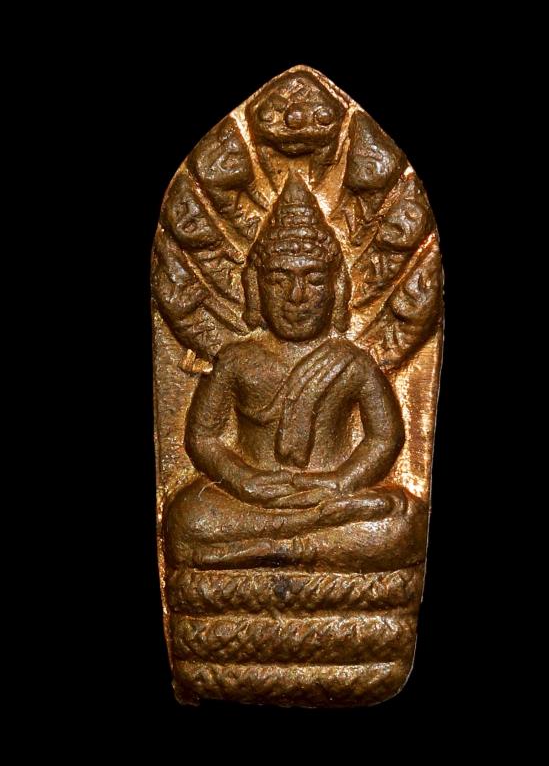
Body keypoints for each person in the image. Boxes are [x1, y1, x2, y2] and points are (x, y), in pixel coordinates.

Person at [165, 175, 427, 572]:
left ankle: (275, 551)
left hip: (330, 495)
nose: (297, 297)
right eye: (279, 279)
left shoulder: (353, 362)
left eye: (314, 280)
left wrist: (340, 482)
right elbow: (202, 437)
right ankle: (301, 546)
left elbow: (385, 437)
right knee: (188, 516)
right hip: (253, 500)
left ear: (337, 288)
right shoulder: (237, 359)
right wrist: (242, 479)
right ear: (255, 287)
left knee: (405, 521)